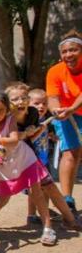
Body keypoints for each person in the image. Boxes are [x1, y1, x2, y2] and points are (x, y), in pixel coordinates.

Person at [0, 92, 56, 245]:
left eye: (0, 110)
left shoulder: (10, 121)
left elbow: (14, 141)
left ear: (7, 111)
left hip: (25, 161)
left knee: (37, 194)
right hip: (5, 168)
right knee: (2, 199)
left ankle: (48, 228)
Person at [6, 83, 82, 230]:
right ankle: (42, 216)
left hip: (41, 159)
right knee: (40, 189)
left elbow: (44, 132)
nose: (41, 106)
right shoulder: (11, 121)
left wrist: (50, 134)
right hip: (27, 161)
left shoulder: (36, 115)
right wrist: (29, 133)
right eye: (15, 99)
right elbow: (18, 138)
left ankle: (46, 216)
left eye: (44, 103)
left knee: (46, 188)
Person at [45, 29, 82, 213]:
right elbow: (52, 97)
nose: (69, 55)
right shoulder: (55, 72)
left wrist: (72, 108)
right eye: (65, 51)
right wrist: (55, 110)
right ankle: (67, 199)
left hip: (74, 109)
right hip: (67, 113)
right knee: (70, 153)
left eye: (73, 50)